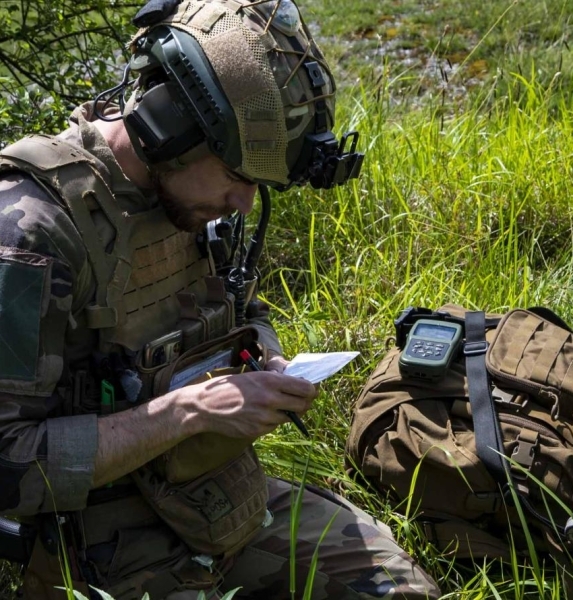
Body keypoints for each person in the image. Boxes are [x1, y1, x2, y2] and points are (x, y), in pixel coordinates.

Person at [0, 0, 441, 598]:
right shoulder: (33, 231)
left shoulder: (193, 200)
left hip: (216, 494)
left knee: (400, 591)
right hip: (96, 539)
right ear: (171, 127)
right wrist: (189, 412)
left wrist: (265, 356)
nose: (243, 205)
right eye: (239, 179)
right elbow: (7, 464)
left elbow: (243, 310)